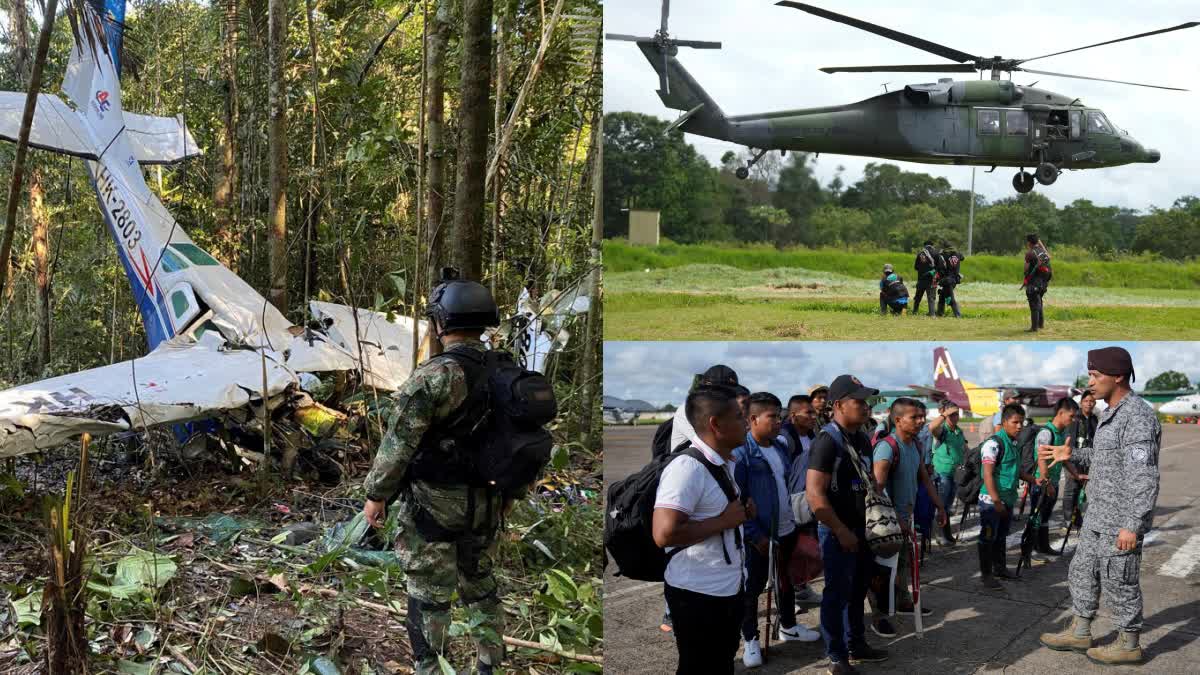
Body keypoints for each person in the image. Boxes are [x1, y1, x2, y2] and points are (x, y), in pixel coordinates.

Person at [361, 272, 513, 675]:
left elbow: (398, 446)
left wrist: (376, 494)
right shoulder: (506, 371)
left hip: (434, 505)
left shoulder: (435, 376)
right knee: (481, 587)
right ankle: (488, 665)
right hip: (488, 502)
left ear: (441, 323)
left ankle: (431, 667)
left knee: (429, 594)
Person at [1038, 347, 1161, 665]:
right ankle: (1080, 632)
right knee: (1081, 572)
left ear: (1117, 375)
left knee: (1119, 579)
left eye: (1095, 375)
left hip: (1120, 519)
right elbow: (1104, 458)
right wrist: (1073, 456)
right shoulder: (1110, 413)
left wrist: (1133, 524)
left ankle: (1129, 642)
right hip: (1097, 515)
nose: (1090, 382)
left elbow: (1143, 475)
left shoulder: (1137, 416)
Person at [653, 386, 753, 675]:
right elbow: (663, 533)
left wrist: (741, 513)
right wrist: (725, 521)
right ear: (715, 424)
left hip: (727, 588)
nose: (746, 422)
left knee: (720, 665)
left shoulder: (723, 463)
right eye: (738, 416)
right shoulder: (687, 467)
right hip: (696, 593)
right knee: (697, 668)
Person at [806, 375, 889, 674]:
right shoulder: (827, 441)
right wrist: (840, 531)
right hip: (838, 531)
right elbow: (814, 494)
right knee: (837, 594)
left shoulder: (862, 438)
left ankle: (857, 643)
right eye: (859, 401)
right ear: (838, 404)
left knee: (857, 592)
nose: (865, 407)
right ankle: (836, 655)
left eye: (867, 402)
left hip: (862, 529)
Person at [734, 393, 821, 667]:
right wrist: (754, 535)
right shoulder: (742, 454)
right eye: (771, 416)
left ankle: (788, 626)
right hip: (759, 536)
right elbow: (737, 501)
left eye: (778, 415)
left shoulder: (780, 448)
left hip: (786, 529)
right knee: (753, 588)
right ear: (752, 419)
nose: (777, 421)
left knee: (785, 581)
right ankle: (750, 639)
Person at [868, 398, 945, 637]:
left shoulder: (914, 445)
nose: (922, 421)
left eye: (922, 416)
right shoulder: (886, 447)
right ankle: (879, 617)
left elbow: (924, 477)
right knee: (882, 572)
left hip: (906, 518)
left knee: (902, 565)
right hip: (887, 524)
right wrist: (896, 519)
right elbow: (877, 490)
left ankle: (901, 602)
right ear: (898, 419)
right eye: (915, 417)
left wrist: (940, 506)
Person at [978, 403, 1038, 590]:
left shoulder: (1013, 443)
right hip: (992, 502)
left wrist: (1033, 479)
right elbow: (987, 474)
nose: (1020, 426)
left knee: (1001, 536)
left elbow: (1014, 470)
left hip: (1008, 499)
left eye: (1022, 422)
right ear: (1004, 422)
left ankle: (1000, 568)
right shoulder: (993, 444)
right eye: (1015, 422)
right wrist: (996, 501)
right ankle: (987, 575)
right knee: (987, 538)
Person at [781, 394, 824, 608]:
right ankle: (786, 594)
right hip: (791, 502)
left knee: (805, 547)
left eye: (813, 412)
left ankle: (802, 587)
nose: (813, 416)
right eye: (808, 412)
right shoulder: (784, 438)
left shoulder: (813, 436)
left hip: (808, 500)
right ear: (792, 415)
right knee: (789, 550)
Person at [1030, 398, 1080, 557]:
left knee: (1045, 515)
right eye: (1071, 416)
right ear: (1060, 413)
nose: (1072, 420)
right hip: (1042, 483)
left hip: (1053, 482)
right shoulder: (1046, 433)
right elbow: (1041, 460)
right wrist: (1047, 483)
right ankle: (1031, 551)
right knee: (1036, 517)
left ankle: (1043, 546)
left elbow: (1063, 459)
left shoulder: (1062, 433)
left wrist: (1077, 475)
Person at [666, 365, 741, 452]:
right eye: (725, 390)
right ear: (708, 386)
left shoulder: (719, 408)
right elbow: (709, 445)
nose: (730, 395)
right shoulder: (689, 409)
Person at [930, 401, 967, 545]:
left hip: (955, 474)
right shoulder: (942, 430)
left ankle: (946, 533)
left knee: (947, 506)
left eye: (956, 414)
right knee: (941, 505)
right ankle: (940, 535)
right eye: (951, 415)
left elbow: (964, 449)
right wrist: (945, 413)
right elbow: (932, 427)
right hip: (942, 473)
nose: (954, 417)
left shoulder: (958, 431)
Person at [1060, 390, 1098, 531]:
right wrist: (1070, 460)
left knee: (1081, 489)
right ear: (1081, 403)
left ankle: (1077, 518)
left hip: (1087, 460)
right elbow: (1070, 441)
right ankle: (1068, 519)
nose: (1089, 403)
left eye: (1091, 401)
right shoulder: (1075, 419)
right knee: (1071, 489)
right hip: (1073, 459)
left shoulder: (1094, 419)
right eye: (1086, 401)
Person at [1022, 233, 1052, 332]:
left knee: (1034, 303)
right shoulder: (1043, 252)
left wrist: (1026, 278)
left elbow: (1026, 269)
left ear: (1029, 242)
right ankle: (1040, 325)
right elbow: (1049, 257)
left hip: (1034, 281)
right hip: (1044, 282)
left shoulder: (1030, 254)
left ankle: (1034, 328)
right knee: (1039, 301)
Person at [936, 243, 964, 318]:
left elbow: (940, 259)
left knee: (950, 297)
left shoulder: (945, 255)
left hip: (948, 280)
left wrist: (941, 252)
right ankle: (940, 313)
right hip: (954, 279)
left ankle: (958, 315)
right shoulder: (958, 254)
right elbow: (962, 257)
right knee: (942, 295)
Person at [912, 240, 938, 316]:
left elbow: (916, 267)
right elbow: (940, 267)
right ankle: (932, 314)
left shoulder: (920, 254)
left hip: (921, 279)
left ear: (924, 245)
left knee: (918, 297)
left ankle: (914, 312)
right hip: (932, 280)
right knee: (931, 298)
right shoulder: (936, 253)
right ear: (932, 245)